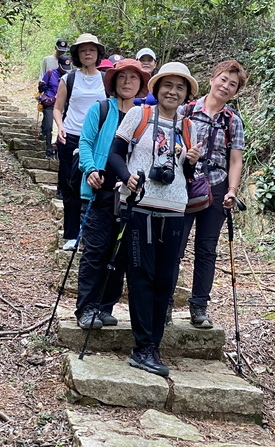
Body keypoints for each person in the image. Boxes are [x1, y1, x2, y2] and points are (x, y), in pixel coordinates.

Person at [108, 62, 201, 377]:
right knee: (140, 277)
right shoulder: (139, 115)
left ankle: (153, 346)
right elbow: (115, 155)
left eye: (179, 87)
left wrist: (189, 162)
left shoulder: (187, 127)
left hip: (174, 209)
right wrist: (127, 178)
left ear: (186, 94)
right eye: (168, 85)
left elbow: (186, 176)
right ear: (157, 88)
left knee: (165, 280)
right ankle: (142, 347)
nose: (172, 92)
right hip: (141, 206)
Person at [168, 59, 247, 329]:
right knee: (174, 246)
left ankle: (199, 305)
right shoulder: (186, 111)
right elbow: (167, 142)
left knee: (206, 249)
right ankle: (165, 302)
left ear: (236, 92)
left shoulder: (233, 121)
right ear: (213, 78)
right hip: (184, 183)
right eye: (223, 79)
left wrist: (233, 191)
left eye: (232, 84)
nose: (225, 86)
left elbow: (235, 159)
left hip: (216, 186)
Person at [75, 59, 151, 329]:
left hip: (130, 195)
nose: (127, 82)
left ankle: (106, 306)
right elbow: (85, 141)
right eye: (122, 77)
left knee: (119, 254)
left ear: (141, 84)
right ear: (114, 82)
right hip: (100, 190)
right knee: (96, 250)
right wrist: (90, 168)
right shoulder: (102, 109)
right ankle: (86, 308)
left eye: (134, 78)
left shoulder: (146, 116)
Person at [53, 34, 106, 251]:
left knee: (98, 184)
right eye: (83, 50)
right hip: (72, 135)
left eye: (91, 50)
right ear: (77, 54)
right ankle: (72, 235)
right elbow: (58, 107)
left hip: (97, 138)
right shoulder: (69, 79)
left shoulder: (106, 79)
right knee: (70, 186)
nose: (87, 53)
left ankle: (93, 234)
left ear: (97, 53)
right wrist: (60, 126)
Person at [38, 55, 72, 159]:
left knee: (62, 128)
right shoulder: (50, 73)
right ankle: (48, 150)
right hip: (50, 102)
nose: (64, 70)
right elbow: (41, 88)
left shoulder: (68, 76)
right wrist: (42, 86)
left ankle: (58, 149)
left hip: (62, 105)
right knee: (48, 127)